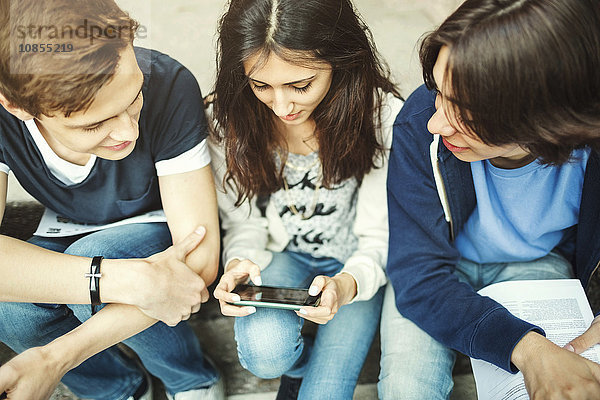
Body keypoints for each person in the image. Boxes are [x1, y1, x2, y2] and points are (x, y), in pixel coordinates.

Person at [0, 0, 223, 399]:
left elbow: (201, 258)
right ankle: (116, 390)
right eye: (93, 124)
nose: (128, 133)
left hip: (150, 222)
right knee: (11, 308)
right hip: (66, 226)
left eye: (134, 96)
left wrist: (55, 358)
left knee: (104, 254)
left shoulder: (168, 83)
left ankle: (189, 380)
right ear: (16, 106)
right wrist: (121, 280)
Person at [380, 0, 600, 398]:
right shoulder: (419, 125)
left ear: (544, 118)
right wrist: (526, 348)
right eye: (438, 90)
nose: (436, 121)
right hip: (437, 271)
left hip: (537, 265)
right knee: (405, 387)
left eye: (463, 110)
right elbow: (418, 276)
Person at [208, 0, 403, 398]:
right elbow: (243, 221)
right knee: (264, 355)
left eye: (300, 85)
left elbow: (380, 236)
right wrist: (238, 262)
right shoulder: (227, 120)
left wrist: (347, 285)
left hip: (355, 262)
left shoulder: (381, 116)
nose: (282, 106)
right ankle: (298, 359)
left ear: (340, 60)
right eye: (261, 85)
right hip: (279, 255)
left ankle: (307, 367)